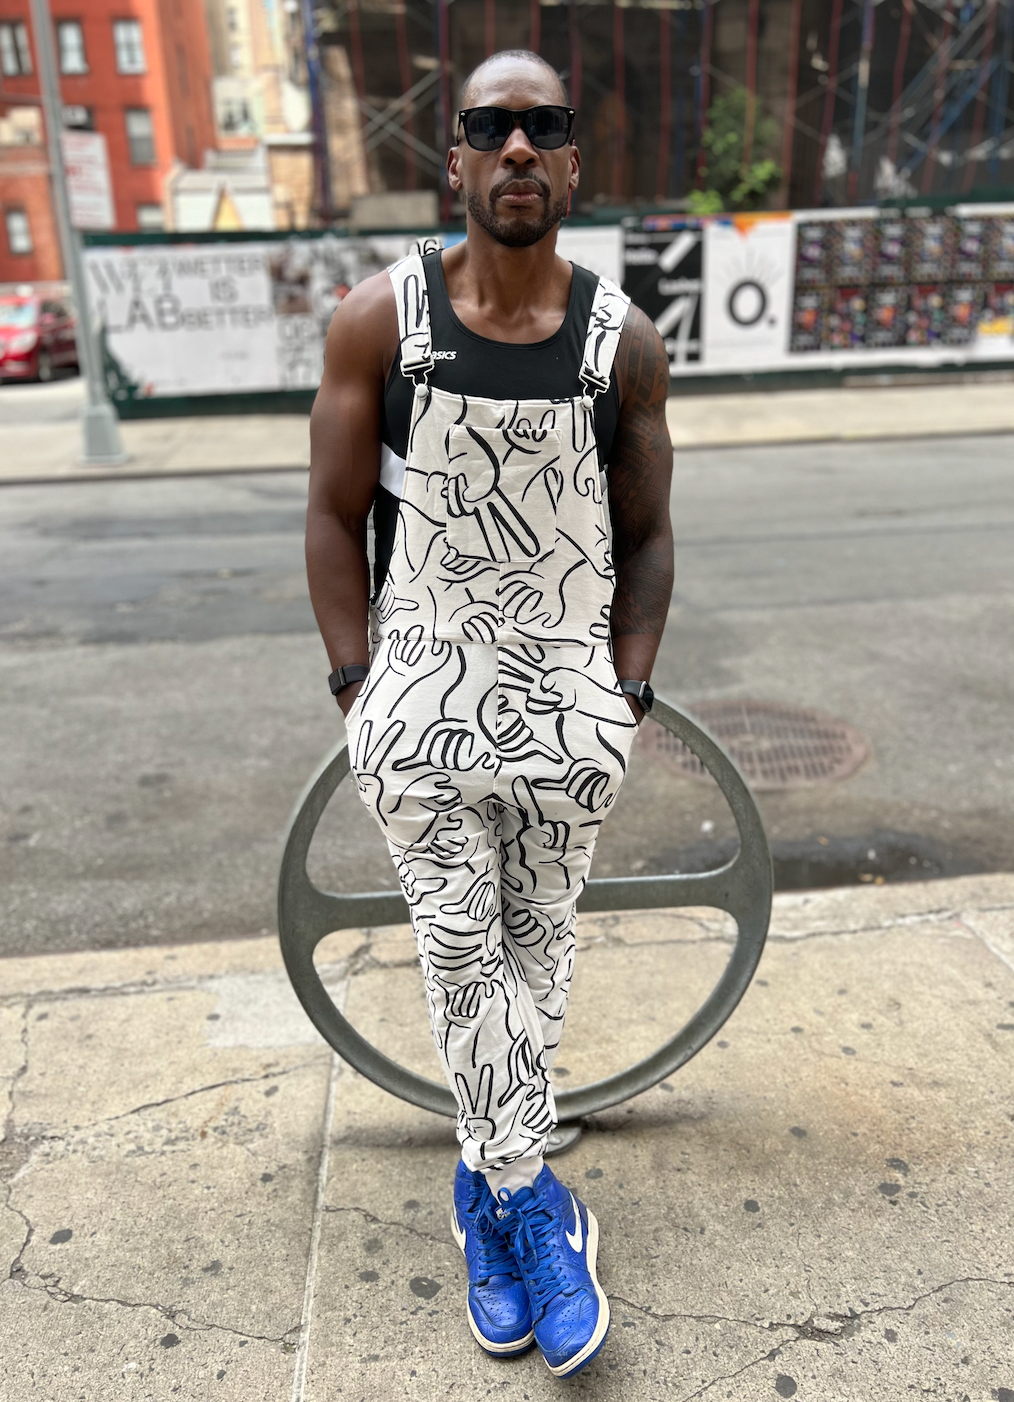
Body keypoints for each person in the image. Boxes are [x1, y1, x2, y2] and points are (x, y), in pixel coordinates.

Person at [305, 48, 673, 1379]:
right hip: (422, 705)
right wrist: (358, 685)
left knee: (536, 957)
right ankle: (535, 1205)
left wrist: (624, 689)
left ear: (572, 162)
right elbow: (330, 514)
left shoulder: (620, 342)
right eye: (491, 126)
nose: (518, 148)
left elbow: (648, 532)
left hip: (566, 712)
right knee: (464, 955)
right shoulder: (378, 322)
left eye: (544, 126)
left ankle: (482, 1191)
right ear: (453, 156)